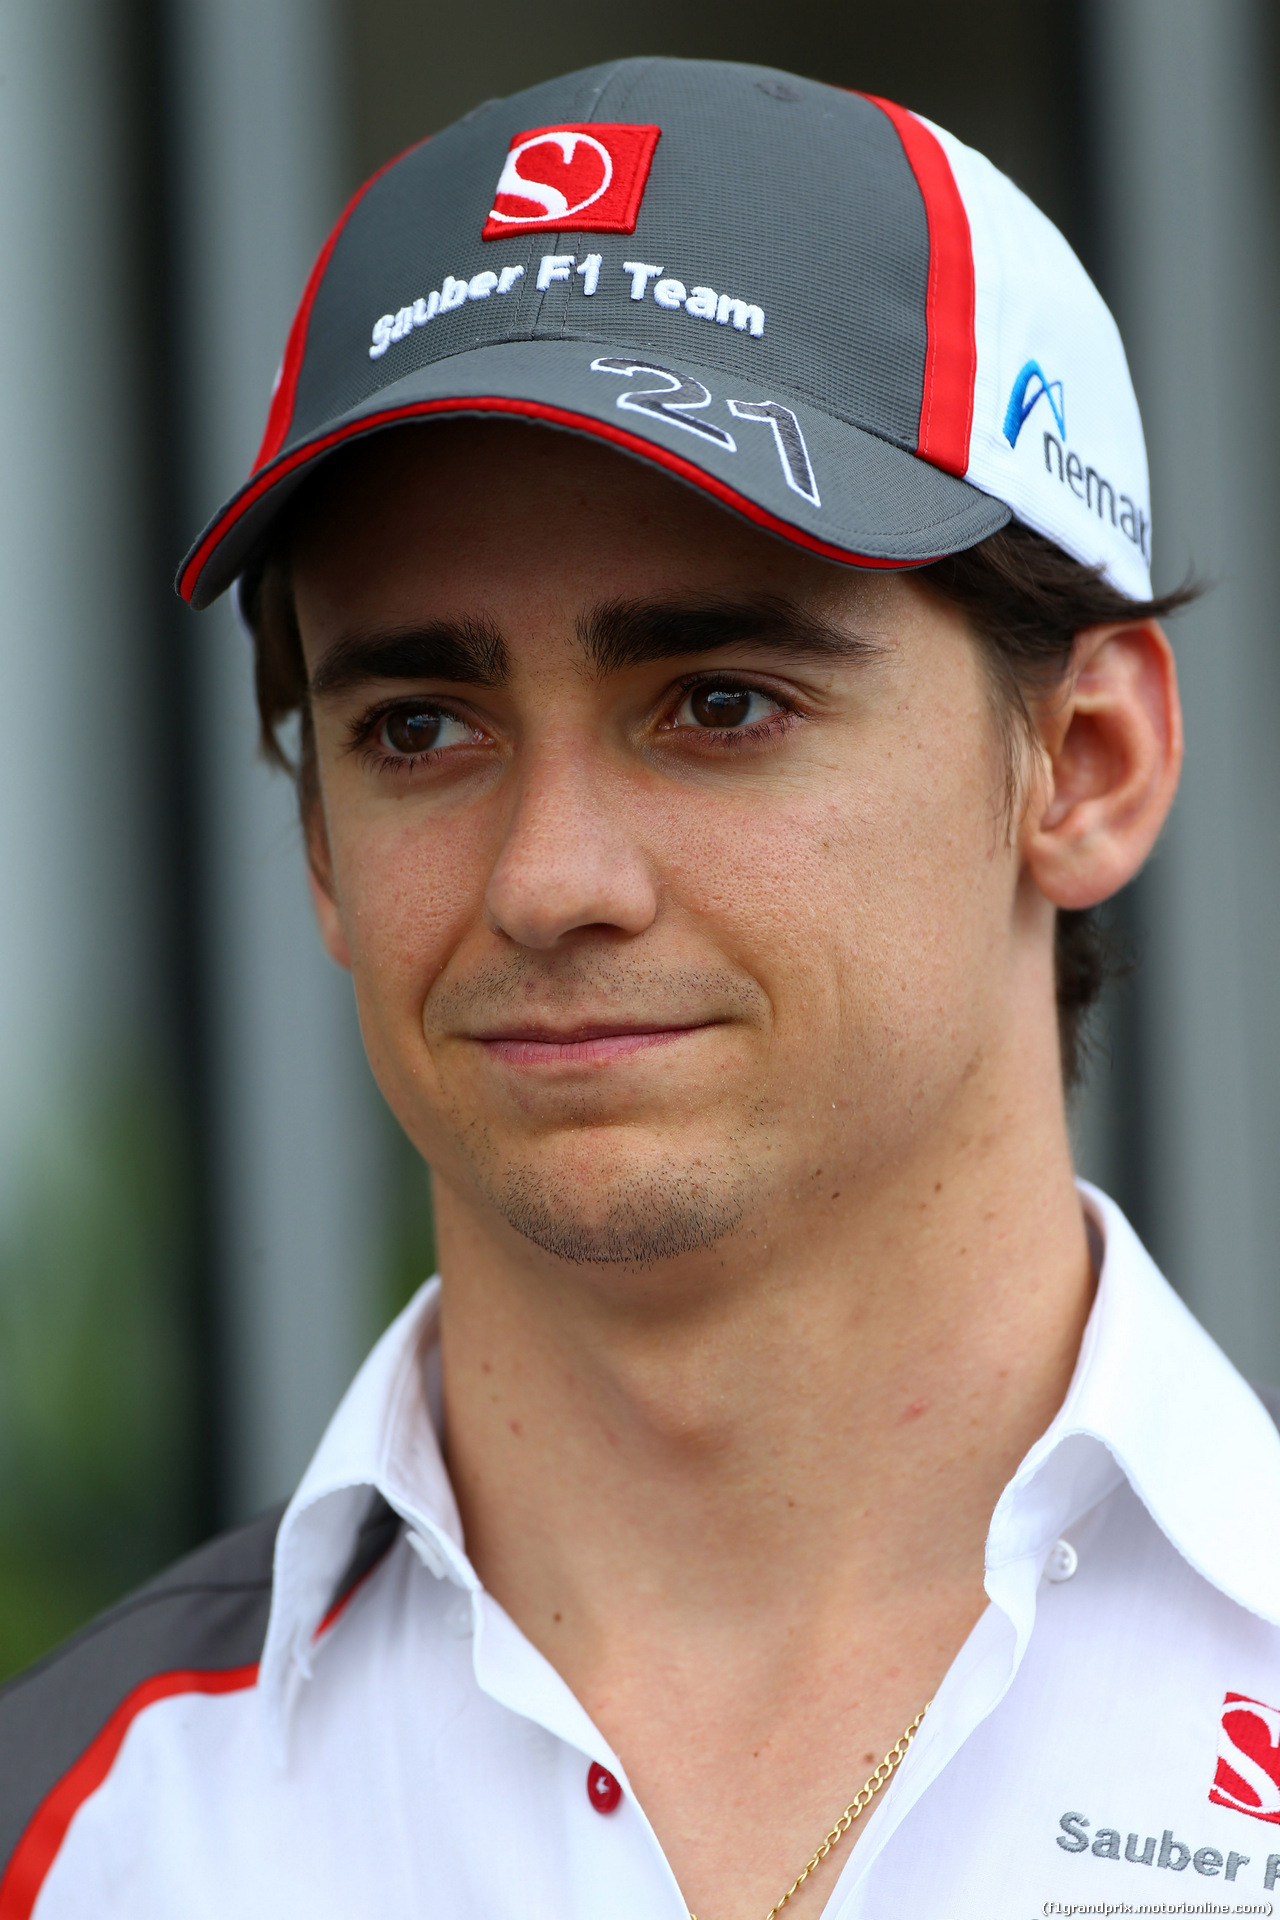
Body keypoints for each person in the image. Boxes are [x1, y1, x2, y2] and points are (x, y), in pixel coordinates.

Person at [2, 54, 1275, 1920]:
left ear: (1081, 764)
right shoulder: (78, 1830)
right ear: (317, 844)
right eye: (421, 725)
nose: (548, 880)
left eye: (720, 702)